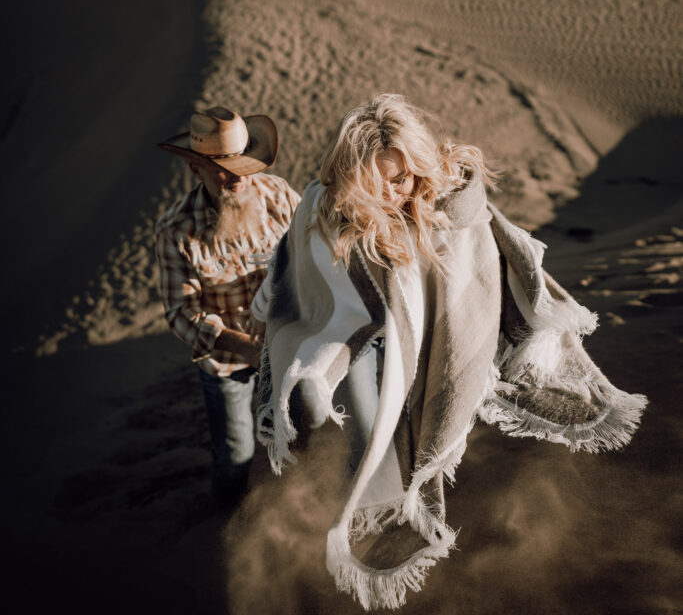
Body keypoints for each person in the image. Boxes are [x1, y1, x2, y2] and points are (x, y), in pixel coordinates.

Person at [254, 94, 647, 610]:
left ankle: (385, 547)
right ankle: (364, 529)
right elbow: (303, 270)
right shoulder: (326, 207)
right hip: (357, 338)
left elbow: (483, 269)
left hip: (427, 340)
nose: (394, 191)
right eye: (377, 181)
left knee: (410, 438)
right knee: (363, 439)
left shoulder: (454, 205)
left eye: (402, 177)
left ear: (419, 163)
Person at [155, 104, 300, 506]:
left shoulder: (281, 197)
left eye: (239, 161)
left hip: (290, 345)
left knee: (314, 427)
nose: (233, 175)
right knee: (236, 455)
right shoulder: (177, 231)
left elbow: (313, 260)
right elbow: (181, 314)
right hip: (227, 362)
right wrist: (246, 347)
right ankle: (226, 522)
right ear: (195, 170)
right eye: (219, 165)